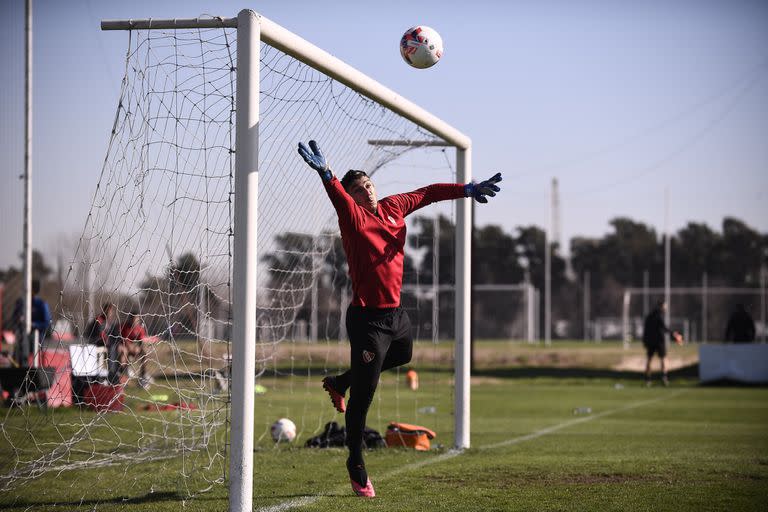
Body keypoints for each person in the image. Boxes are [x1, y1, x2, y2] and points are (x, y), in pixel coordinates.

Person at [298, 140, 502, 497]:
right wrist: (327, 174)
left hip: (396, 314)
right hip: (367, 321)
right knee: (364, 396)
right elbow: (337, 197)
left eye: (368, 185)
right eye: (359, 190)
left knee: (404, 355)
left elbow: (428, 193)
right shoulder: (353, 216)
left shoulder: (393, 206)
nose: (367, 192)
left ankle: (340, 381)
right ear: (353, 197)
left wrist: (467, 189)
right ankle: (356, 463)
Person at [11, 279, 52, 366]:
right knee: (17, 352)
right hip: (21, 337)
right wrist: (18, 323)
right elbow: (14, 319)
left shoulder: (41, 304)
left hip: (36, 338)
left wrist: (32, 324)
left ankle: (33, 370)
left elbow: (46, 323)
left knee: (33, 342)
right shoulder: (20, 303)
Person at [642, 301, 682, 387]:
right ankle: (664, 378)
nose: (666, 307)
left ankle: (648, 379)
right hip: (659, 341)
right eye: (665, 306)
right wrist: (673, 334)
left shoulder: (649, 315)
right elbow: (663, 327)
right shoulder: (659, 315)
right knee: (663, 358)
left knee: (649, 359)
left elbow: (645, 329)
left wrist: (645, 340)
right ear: (661, 306)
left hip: (650, 341)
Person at [84, 303, 122, 384]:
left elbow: (116, 334)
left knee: (116, 348)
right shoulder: (99, 320)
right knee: (112, 348)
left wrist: (119, 343)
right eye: (108, 310)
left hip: (108, 344)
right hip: (97, 342)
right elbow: (100, 334)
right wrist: (108, 341)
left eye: (111, 311)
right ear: (104, 310)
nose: (109, 313)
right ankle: (111, 375)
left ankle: (116, 373)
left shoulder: (112, 322)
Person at [120, 312, 151, 389]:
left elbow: (141, 342)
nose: (135, 320)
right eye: (133, 318)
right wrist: (129, 346)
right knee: (123, 353)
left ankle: (143, 377)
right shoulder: (124, 327)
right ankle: (123, 377)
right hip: (125, 348)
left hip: (134, 348)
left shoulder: (140, 329)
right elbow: (122, 339)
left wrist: (137, 347)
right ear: (130, 319)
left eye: (136, 319)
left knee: (145, 353)